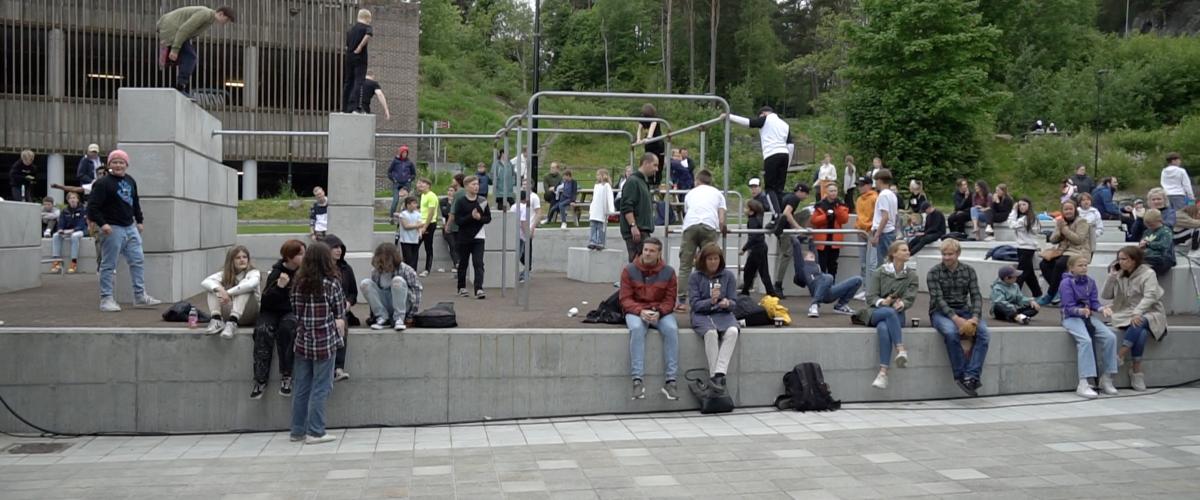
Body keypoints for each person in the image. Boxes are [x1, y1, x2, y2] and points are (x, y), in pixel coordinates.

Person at [88, 150, 161, 312]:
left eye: (121, 162)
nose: (118, 165)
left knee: (138, 260)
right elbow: (92, 207)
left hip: (130, 227)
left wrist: (139, 220)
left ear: (127, 165)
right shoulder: (102, 183)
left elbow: (135, 202)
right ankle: (106, 299)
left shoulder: (130, 181)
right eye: (115, 162)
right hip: (112, 228)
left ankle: (140, 295)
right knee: (108, 264)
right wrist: (103, 224)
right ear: (109, 165)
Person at [288, 242, 345, 445]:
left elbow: (295, 310)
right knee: (321, 387)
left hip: (303, 339)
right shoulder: (331, 283)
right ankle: (316, 431)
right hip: (325, 340)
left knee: (302, 386)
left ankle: (297, 430)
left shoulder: (297, 282)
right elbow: (339, 310)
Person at [927, 239, 988, 397]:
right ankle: (961, 375)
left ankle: (972, 376)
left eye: (950, 254)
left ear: (958, 254)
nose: (946, 257)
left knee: (983, 334)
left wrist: (974, 317)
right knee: (951, 333)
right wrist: (956, 319)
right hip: (940, 312)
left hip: (965, 310)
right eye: (944, 254)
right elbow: (938, 300)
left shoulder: (969, 271)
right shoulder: (933, 272)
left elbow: (976, 296)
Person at [620, 237, 679, 401]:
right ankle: (637, 381)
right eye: (645, 250)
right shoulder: (629, 270)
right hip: (636, 310)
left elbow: (670, 300)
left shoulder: (669, 272)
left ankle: (671, 381)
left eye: (652, 251)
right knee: (637, 329)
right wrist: (640, 311)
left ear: (659, 253)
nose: (647, 253)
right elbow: (625, 299)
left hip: (660, 311)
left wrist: (659, 312)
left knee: (672, 330)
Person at [855, 241, 918, 390]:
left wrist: (901, 304)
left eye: (908, 250)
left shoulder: (912, 275)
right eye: (904, 250)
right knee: (888, 313)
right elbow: (870, 298)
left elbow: (910, 298)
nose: (908, 252)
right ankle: (901, 349)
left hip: (897, 314)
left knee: (883, 328)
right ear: (894, 254)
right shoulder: (880, 272)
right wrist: (884, 301)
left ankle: (883, 373)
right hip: (876, 311)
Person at [1103, 246, 1166, 392]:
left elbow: (1150, 296)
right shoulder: (1120, 273)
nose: (1120, 262)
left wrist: (1137, 312)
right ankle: (1136, 371)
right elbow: (1106, 296)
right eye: (1119, 259)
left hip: (1150, 311)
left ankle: (1118, 358)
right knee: (1141, 331)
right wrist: (1111, 277)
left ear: (1134, 260)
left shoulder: (1148, 273)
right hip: (1126, 312)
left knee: (1140, 321)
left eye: (1124, 259)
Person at [1059, 255, 1119, 399]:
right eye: (1080, 265)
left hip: (1088, 317)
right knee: (1085, 341)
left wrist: (1102, 309)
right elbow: (1067, 307)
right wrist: (1080, 311)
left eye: (1086, 265)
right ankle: (1083, 382)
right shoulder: (1066, 283)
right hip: (1071, 318)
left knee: (1110, 337)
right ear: (1071, 268)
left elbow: (1094, 302)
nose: (1084, 268)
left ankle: (1106, 377)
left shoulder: (1090, 282)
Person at [252, 239, 305, 400]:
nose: (304, 256)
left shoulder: (304, 272)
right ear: (289, 257)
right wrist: (280, 287)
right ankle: (260, 379)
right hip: (271, 312)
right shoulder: (276, 273)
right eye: (300, 254)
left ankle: (286, 375)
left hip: (290, 311)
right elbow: (266, 301)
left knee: (288, 329)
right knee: (263, 331)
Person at [688, 243, 739, 393]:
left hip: (722, 313)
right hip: (702, 314)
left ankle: (719, 374)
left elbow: (734, 302)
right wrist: (710, 301)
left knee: (733, 331)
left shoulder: (728, 276)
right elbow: (695, 304)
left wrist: (727, 303)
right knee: (711, 333)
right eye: (709, 259)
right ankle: (714, 375)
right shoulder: (695, 277)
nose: (713, 262)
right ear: (703, 260)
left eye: (716, 259)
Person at [156, 5, 235, 97]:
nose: (225, 23)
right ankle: (180, 86)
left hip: (173, 28)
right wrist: (175, 49)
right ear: (221, 14)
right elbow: (185, 29)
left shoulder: (209, 19)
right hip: (172, 29)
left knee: (186, 58)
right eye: (226, 20)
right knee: (191, 57)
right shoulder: (205, 14)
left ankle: (180, 84)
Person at [676, 170, 727, 307]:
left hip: (690, 226)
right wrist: (722, 228)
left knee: (685, 265)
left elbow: (687, 211)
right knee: (709, 263)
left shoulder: (690, 193)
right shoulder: (717, 193)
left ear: (697, 181)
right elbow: (721, 219)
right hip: (709, 225)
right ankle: (707, 297)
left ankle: (681, 300)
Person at [729, 107, 790, 211]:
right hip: (785, 154)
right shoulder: (785, 124)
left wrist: (729, 116)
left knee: (770, 189)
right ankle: (780, 212)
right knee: (779, 189)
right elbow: (790, 145)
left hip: (772, 154)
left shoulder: (766, 118)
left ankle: (776, 215)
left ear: (763, 113)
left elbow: (749, 122)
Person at [1038, 200, 1091, 306]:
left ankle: (1050, 294)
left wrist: (1065, 229)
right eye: (1065, 209)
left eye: (1070, 209)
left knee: (1060, 264)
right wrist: (1059, 230)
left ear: (1075, 210)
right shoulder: (1061, 222)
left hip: (1078, 251)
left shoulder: (1082, 222)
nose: (1068, 211)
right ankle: (1057, 292)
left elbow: (1078, 240)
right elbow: (1053, 239)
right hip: (1063, 251)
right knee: (1044, 264)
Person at [200, 245, 260, 338]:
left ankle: (233, 321)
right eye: (238, 258)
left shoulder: (254, 272)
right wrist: (219, 289)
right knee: (214, 287)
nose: (242, 260)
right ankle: (216, 319)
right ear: (231, 260)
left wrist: (227, 293)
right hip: (228, 313)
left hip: (249, 314)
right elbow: (205, 282)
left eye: (245, 257)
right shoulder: (224, 274)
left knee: (244, 287)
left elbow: (250, 285)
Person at [360, 242, 422, 332]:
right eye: (380, 262)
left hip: (403, 303)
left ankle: (399, 319)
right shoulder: (376, 272)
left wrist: (411, 316)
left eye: (386, 262)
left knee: (397, 281)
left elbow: (417, 292)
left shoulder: (406, 270)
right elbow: (374, 296)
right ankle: (383, 318)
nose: (383, 265)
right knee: (365, 283)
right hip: (386, 302)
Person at [448, 175, 492, 298]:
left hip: (479, 236)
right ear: (466, 186)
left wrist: (480, 218)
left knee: (478, 263)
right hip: (464, 237)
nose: (476, 187)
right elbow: (458, 221)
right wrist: (470, 217)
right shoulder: (461, 202)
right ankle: (461, 287)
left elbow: (488, 218)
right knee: (463, 263)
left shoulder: (482, 201)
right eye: (473, 184)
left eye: (477, 184)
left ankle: (479, 289)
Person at [795, 238, 861, 318]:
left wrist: (809, 237)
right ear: (804, 259)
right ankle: (814, 305)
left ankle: (841, 305)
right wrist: (796, 235)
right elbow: (796, 248)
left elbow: (813, 247)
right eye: (811, 257)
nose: (814, 258)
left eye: (813, 257)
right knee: (829, 277)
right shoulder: (802, 266)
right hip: (816, 289)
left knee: (858, 280)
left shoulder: (816, 264)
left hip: (829, 291)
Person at [323, 235, 358, 382]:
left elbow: (353, 292)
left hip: (342, 309)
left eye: (340, 248)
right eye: (335, 247)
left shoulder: (346, 268)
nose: (338, 251)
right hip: (322, 310)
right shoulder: (319, 269)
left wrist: (349, 303)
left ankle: (338, 368)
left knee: (342, 323)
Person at [774, 182, 812, 297]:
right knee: (786, 255)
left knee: (806, 212)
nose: (805, 197)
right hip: (784, 230)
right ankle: (778, 285)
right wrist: (798, 227)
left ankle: (799, 236)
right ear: (801, 192)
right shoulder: (794, 199)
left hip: (783, 227)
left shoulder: (788, 196)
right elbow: (786, 213)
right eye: (806, 194)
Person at [620, 153, 658, 262]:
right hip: (637, 231)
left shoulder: (643, 182)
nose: (656, 169)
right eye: (654, 165)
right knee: (639, 265)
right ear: (646, 163)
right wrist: (633, 226)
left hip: (643, 230)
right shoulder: (633, 181)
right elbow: (627, 206)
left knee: (646, 264)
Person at [811, 182, 850, 276]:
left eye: (835, 191)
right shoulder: (819, 205)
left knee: (833, 265)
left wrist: (837, 209)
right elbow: (814, 221)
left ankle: (831, 285)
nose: (833, 193)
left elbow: (844, 220)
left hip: (834, 241)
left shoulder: (841, 205)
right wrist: (826, 217)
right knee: (821, 265)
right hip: (822, 241)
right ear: (826, 192)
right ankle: (822, 285)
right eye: (831, 191)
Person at [1008, 198, 1044, 298]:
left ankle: (1014, 295)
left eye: (1024, 204)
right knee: (1029, 273)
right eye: (1019, 205)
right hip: (1023, 247)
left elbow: (1011, 224)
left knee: (1021, 273)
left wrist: (1014, 211)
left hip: (1026, 249)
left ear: (1029, 205)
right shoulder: (1029, 218)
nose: (1021, 207)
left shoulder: (1026, 219)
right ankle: (1038, 294)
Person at [739, 199, 775, 297]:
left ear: (752, 210)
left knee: (761, 272)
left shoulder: (752, 221)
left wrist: (744, 248)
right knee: (749, 270)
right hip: (759, 247)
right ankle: (745, 291)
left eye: (746, 208)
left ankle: (771, 293)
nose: (745, 209)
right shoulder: (756, 219)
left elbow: (754, 236)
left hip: (758, 248)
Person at [341, 8, 373, 113]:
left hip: (349, 57)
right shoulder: (367, 27)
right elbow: (368, 35)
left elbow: (346, 46)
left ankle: (344, 108)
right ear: (367, 18)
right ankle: (356, 107)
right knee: (359, 81)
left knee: (348, 82)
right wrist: (360, 47)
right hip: (360, 58)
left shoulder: (351, 30)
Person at [49, 192, 87, 274]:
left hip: (80, 231)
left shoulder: (83, 209)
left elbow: (82, 224)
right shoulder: (65, 210)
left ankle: (74, 262)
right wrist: (60, 229)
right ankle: (56, 261)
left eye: (74, 198)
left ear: (77, 199)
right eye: (70, 198)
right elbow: (61, 223)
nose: (72, 200)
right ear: (68, 200)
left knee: (74, 236)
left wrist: (73, 230)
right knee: (56, 235)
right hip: (67, 230)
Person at [512, 179, 541, 282]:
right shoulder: (520, 199)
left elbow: (538, 213)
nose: (524, 186)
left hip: (527, 227)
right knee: (520, 252)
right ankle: (525, 270)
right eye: (523, 184)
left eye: (526, 184)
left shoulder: (534, 197)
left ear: (531, 186)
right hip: (520, 229)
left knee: (526, 251)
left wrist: (532, 227)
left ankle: (526, 272)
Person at [870, 169, 899, 270]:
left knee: (882, 264)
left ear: (880, 181)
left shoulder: (883, 195)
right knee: (890, 261)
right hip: (890, 231)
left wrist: (877, 235)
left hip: (883, 233)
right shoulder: (892, 195)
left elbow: (885, 217)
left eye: (876, 180)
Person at [1139, 209, 1174, 276]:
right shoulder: (1147, 232)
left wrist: (1148, 244)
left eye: (1152, 225)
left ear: (1159, 221)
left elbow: (1164, 245)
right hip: (1148, 256)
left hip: (1162, 258)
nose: (1150, 227)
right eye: (1148, 225)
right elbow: (1143, 242)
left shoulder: (1166, 231)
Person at [637, 104, 665, 186]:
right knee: (650, 161)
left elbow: (651, 131)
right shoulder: (643, 118)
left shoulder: (654, 119)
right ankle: (650, 180)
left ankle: (657, 182)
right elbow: (639, 129)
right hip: (650, 145)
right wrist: (639, 139)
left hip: (657, 143)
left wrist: (648, 138)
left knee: (659, 164)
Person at [588, 168, 616, 250]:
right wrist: (591, 209)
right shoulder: (596, 186)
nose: (597, 177)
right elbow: (594, 199)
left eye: (598, 175)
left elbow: (610, 198)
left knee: (601, 227)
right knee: (593, 226)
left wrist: (611, 210)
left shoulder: (607, 186)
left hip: (602, 212)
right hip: (595, 211)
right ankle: (593, 241)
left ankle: (600, 242)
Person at [416, 178, 439, 277]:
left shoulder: (431, 196)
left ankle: (427, 269)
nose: (420, 185)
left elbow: (431, 213)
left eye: (423, 183)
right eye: (419, 183)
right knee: (414, 246)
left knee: (428, 246)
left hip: (429, 224)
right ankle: (413, 268)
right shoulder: (423, 195)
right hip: (421, 223)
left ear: (428, 185)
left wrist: (425, 226)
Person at [854, 176, 878, 274]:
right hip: (860, 232)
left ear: (869, 185)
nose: (859, 187)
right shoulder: (859, 199)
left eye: (862, 185)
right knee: (863, 264)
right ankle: (864, 287)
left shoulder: (875, 198)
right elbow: (859, 215)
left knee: (872, 263)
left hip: (871, 232)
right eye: (858, 185)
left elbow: (877, 216)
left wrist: (872, 229)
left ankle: (872, 288)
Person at [395, 196, 423, 269]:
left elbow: (419, 225)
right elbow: (406, 226)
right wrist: (417, 225)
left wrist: (420, 233)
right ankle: (406, 272)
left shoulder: (418, 214)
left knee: (414, 258)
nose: (415, 205)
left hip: (415, 239)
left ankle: (413, 273)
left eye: (416, 203)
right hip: (405, 240)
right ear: (408, 205)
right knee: (408, 258)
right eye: (413, 203)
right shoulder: (403, 214)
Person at [387, 146, 415, 216]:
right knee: (395, 200)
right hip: (397, 183)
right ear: (400, 153)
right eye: (403, 153)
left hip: (406, 183)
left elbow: (413, 174)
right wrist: (394, 179)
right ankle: (391, 216)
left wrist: (409, 180)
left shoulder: (409, 163)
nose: (404, 154)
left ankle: (406, 215)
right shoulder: (395, 161)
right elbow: (389, 172)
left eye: (406, 153)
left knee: (406, 200)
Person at [439, 184, 460, 272]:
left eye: (452, 191)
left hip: (458, 227)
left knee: (458, 246)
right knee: (452, 245)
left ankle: (459, 263)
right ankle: (456, 264)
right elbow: (445, 213)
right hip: (448, 226)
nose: (450, 193)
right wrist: (450, 203)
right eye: (449, 190)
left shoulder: (459, 201)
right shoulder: (443, 201)